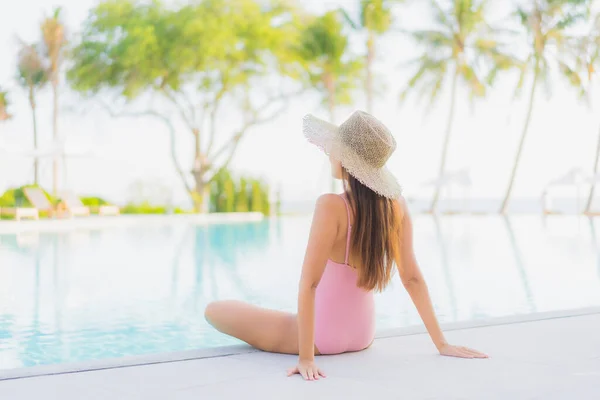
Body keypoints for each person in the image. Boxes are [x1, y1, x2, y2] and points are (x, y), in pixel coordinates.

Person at [204, 111, 488, 381]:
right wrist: (442, 343)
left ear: (347, 159)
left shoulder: (330, 206)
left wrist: (306, 358)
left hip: (321, 336)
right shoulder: (396, 207)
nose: (329, 153)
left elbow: (309, 284)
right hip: (363, 334)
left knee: (215, 310)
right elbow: (412, 278)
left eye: (335, 149)